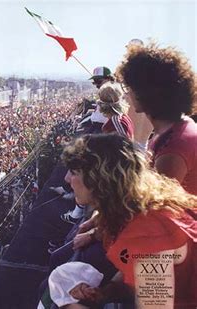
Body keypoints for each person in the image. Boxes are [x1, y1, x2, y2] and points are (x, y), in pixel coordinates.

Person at [60, 133, 196, 308]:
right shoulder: (129, 210)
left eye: (74, 172)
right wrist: (103, 294)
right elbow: (133, 273)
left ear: (100, 180)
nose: (67, 179)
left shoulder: (143, 234)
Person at [116, 41, 197, 195]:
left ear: (145, 93)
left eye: (129, 88)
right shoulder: (175, 129)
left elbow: (150, 206)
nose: (126, 95)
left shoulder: (173, 149)